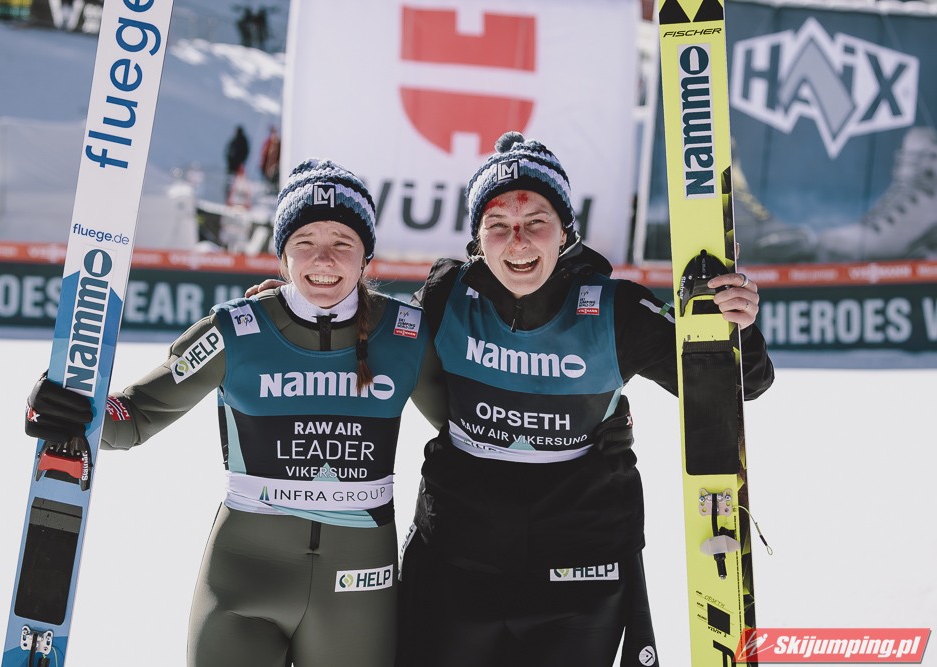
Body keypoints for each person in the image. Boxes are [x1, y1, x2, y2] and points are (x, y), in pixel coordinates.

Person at [244, 132, 774, 665]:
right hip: (456, 565)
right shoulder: (448, 295)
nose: (517, 242)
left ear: (565, 231)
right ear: (478, 239)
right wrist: (298, 313)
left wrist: (737, 325)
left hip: (578, 576)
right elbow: (372, 342)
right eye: (497, 225)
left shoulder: (616, 311)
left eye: (535, 222)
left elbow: (739, 385)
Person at [24, 159, 446, 667]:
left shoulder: (405, 335)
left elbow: (475, 427)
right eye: (305, 241)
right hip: (244, 580)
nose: (324, 258)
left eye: (342, 242)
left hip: (358, 586)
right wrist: (69, 408)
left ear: (366, 255)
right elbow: (134, 416)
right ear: (283, 254)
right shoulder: (236, 330)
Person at [260, 125, 282, 191]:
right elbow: (264, 155)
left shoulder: (278, 143)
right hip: (267, 168)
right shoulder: (268, 143)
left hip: (275, 168)